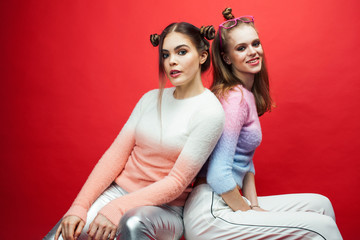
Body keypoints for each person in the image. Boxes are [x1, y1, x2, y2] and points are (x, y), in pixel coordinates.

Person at [44, 22, 225, 240]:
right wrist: (79, 206)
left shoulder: (210, 111)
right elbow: (114, 156)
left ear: (203, 56)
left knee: (132, 223)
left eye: (182, 52)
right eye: (166, 55)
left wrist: (117, 209)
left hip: (164, 208)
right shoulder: (149, 99)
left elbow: (176, 182)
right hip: (117, 193)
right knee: (63, 234)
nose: (171, 62)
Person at [183, 8, 343, 240]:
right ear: (227, 58)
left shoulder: (246, 95)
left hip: (225, 202)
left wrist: (255, 206)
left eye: (255, 43)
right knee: (322, 228)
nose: (252, 52)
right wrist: (249, 211)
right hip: (210, 210)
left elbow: (245, 162)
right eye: (241, 48)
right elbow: (218, 175)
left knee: (321, 205)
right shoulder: (234, 97)